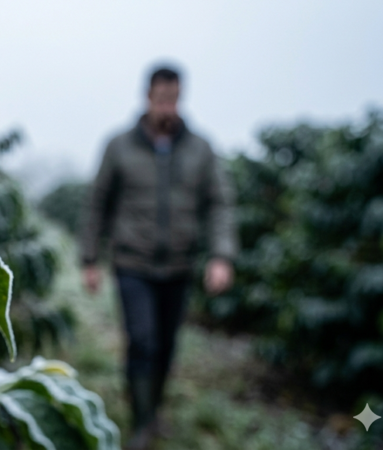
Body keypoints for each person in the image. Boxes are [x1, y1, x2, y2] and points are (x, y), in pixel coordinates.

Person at [80, 66, 238, 449]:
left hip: (179, 264)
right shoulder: (119, 146)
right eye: (161, 98)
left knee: (166, 344)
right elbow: (97, 202)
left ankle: (154, 409)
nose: (168, 107)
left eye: (174, 98)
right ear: (147, 97)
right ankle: (141, 419)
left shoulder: (199, 148)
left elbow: (219, 203)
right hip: (132, 261)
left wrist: (221, 255)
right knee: (142, 340)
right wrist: (89, 258)